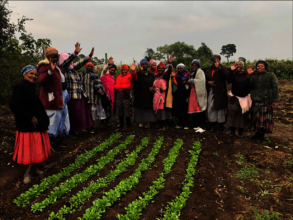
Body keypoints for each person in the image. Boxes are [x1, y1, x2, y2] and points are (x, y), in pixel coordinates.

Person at [10, 65, 51, 184]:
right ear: (24, 74)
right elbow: (14, 105)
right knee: (29, 150)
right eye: (31, 73)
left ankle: (35, 168)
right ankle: (27, 172)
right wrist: (30, 117)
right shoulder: (20, 87)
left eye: (35, 74)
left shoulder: (31, 88)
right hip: (27, 126)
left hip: (36, 125)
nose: (33, 76)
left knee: (36, 149)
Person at [37, 47, 71, 154]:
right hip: (50, 101)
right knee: (51, 122)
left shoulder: (58, 67)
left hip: (58, 99)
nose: (55, 59)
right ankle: (50, 142)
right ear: (47, 57)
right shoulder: (44, 67)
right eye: (52, 57)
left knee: (59, 120)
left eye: (56, 57)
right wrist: (50, 72)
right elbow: (41, 81)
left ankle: (57, 138)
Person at [59, 42, 94, 138]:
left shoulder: (72, 68)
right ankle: (70, 131)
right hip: (71, 96)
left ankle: (75, 130)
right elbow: (66, 62)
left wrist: (89, 56)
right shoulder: (63, 68)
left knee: (78, 114)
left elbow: (81, 62)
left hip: (78, 94)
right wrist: (74, 53)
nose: (70, 61)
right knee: (72, 114)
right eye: (68, 59)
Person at [246, 60, 279, 144]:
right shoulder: (254, 76)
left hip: (265, 101)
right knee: (256, 119)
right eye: (258, 66)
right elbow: (248, 87)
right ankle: (256, 134)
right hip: (255, 100)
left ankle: (261, 136)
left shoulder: (271, 75)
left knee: (262, 120)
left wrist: (275, 100)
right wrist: (248, 76)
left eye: (262, 66)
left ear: (265, 67)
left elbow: (275, 88)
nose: (260, 67)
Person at [80, 62, 109, 133]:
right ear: (86, 67)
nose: (89, 67)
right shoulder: (82, 74)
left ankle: (91, 127)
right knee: (86, 113)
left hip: (93, 97)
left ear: (92, 68)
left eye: (91, 66)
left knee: (92, 113)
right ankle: (86, 127)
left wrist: (99, 89)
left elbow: (99, 83)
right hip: (85, 97)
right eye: (88, 66)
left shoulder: (95, 75)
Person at [227, 61, 252, 137]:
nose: (238, 66)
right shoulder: (233, 74)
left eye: (240, 64)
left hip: (244, 97)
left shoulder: (246, 74)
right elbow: (229, 81)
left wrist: (246, 93)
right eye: (236, 64)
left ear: (242, 66)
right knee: (232, 114)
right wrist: (231, 71)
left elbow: (250, 84)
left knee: (242, 115)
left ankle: (240, 132)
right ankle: (232, 131)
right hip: (234, 97)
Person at [205, 55, 229, 134]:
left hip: (220, 91)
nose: (214, 62)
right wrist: (208, 82)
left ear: (219, 60)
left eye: (216, 60)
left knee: (220, 109)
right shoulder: (208, 70)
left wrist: (219, 68)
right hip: (211, 91)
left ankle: (221, 127)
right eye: (213, 60)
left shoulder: (222, 68)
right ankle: (214, 126)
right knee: (211, 108)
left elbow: (226, 77)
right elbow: (204, 80)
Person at [151, 57, 174, 130]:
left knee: (164, 110)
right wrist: (153, 90)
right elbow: (154, 85)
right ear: (157, 69)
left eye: (162, 68)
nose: (160, 69)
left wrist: (170, 64)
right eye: (159, 68)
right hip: (156, 95)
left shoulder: (165, 75)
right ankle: (160, 124)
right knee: (158, 109)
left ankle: (165, 125)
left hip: (163, 95)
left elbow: (169, 71)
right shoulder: (156, 76)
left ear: (164, 69)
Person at [133, 59, 156, 128]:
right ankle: (141, 122)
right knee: (140, 109)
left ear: (147, 65)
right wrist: (141, 72)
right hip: (139, 94)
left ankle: (147, 122)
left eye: (146, 64)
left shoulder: (151, 74)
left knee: (148, 109)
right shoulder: (138, 73)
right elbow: (135, 80)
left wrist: (153, 89)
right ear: (141, 65)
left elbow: (153, 83)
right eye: (143, 64)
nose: (144, 65)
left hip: (148, 94)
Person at [114, 63, 137, 128]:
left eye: (125, 70)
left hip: (126, 93)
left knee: (126, 107)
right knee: (119, 107)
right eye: (122, 70)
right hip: (118, 93)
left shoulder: (130, 76)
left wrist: (133, 71)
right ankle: (121, 122)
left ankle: (128, 123)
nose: (124, 71)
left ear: (127, 70)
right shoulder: (118, 77)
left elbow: (134, 79)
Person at [188, 59, 207, 132]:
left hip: (198, 93)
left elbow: (201, 81)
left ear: (198, 66)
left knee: (199, 108)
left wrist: (190, 81)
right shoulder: (192, 73)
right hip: (193, 93)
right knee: (194, 109)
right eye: (193, 65)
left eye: (195, 65)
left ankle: (202, 126)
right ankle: (196, 125)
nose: (193, 66)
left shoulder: (200, 72)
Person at [173, 63, 191, 129]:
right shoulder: (175, 76)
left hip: (185, 94)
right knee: (178, 109)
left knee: (185, 109)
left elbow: (189, 86)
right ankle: (180, 124)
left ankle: (186, 124)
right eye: (178, 68)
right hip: (178, 94)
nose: (179, 70)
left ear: (184, 69)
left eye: (181, 68)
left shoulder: (188, 75)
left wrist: (188, 96)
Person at [100, 57, 116, 127]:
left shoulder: (113, 78)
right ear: (109, 70)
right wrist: (108, 64)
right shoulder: (104, 75)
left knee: (109, 109)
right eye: (111, 70)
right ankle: (102, 123)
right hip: (104, 96)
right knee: (103, 109)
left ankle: (107, 122)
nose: (112, 71)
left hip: (111, 96)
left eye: (114, 70)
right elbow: (104, 69)